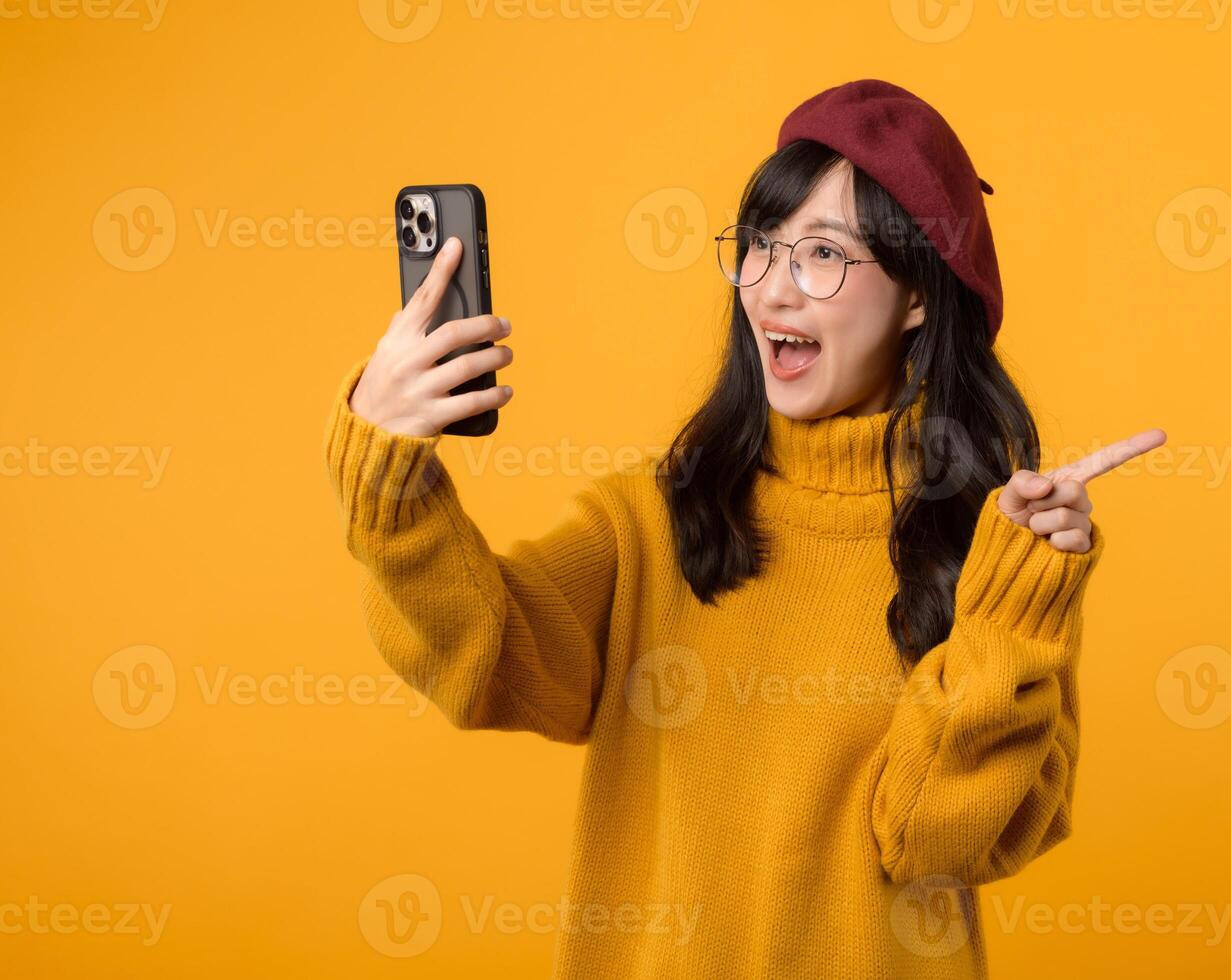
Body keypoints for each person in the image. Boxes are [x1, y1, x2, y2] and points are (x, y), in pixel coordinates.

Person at [324, 78, 1165, 979]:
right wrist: (391, 471)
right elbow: (481, 659)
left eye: (822, 255)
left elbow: (936, 840)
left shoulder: (995, 559)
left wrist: (1014, 606)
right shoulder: (650, 523)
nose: (773, 289)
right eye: (760, 247)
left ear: (918, 293)